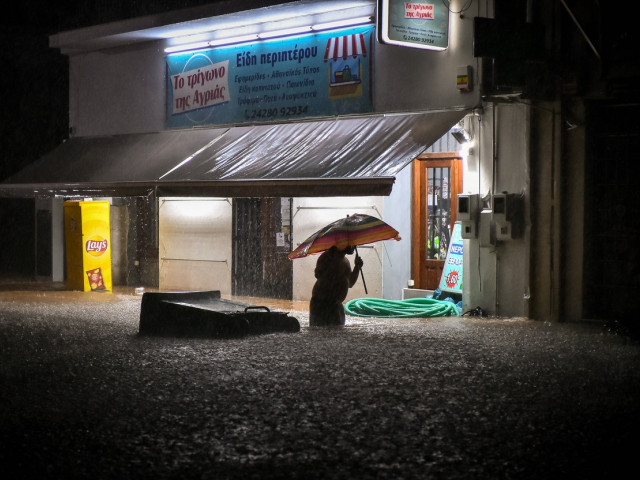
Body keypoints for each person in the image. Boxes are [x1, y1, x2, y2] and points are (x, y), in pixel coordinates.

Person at [309, 245, 363, 326]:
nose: (354, 246)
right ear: (342, 243)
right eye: (351, 244)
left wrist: (357, 267)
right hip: (321, 303)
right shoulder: (326, 257)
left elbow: (350, 283)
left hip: (336, 304)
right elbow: (318, 275)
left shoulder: (345, 261)